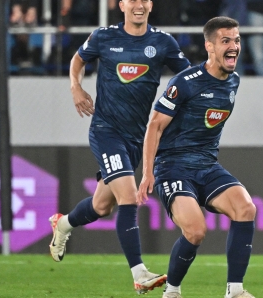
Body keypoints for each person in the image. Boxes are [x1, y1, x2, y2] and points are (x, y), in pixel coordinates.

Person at [47, 0, 190, 294]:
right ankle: (139, 274)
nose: (138, 4)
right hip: (106, 131)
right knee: (128, 197)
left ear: (151, 4)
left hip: (136, 139)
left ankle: (63, 225)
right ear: (121, 4)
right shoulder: (103, 36)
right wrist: (75, 87)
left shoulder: (163, 42)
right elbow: (78, 59)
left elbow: (187, 77)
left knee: (101, 206)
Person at [137, 16, 256, 298]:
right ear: (209, 47)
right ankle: (172, 291)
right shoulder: (185, 82)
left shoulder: (233, 82)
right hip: (173, 168)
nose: (234, 46)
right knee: (196, 230)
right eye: (226, 41)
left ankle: (235, 291)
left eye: (237, 40)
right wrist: (148, 172)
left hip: (207, 166)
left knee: (246, 209)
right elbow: (154, 125)